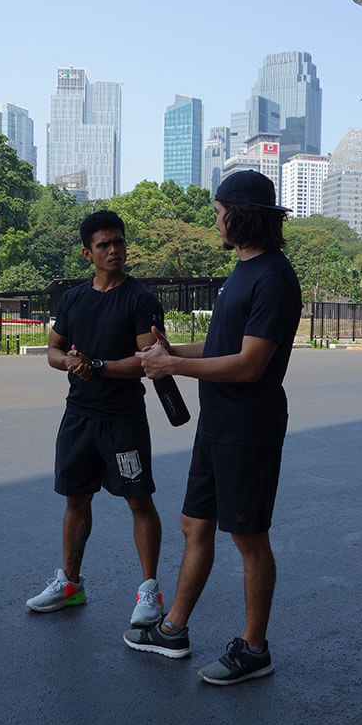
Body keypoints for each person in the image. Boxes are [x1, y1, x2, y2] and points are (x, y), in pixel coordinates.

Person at [123, 170, 302, 685]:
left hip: (249, 426)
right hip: (217, 423)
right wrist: (172, 351)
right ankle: (173, 629)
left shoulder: (273, 277)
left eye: (220, 212)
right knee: (194, 524)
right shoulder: (242, 273)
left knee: (249, 538)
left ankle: (254, 649)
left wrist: (172, 368)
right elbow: (224, 347)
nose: (216, 220)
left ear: (239, 217)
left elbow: (249, 365)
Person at [27, 210, 167, 630]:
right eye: (104, 245)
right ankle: (70, 584)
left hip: (123, 418)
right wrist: (70, 362)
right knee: (76, 499)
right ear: (88, 253)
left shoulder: (140, 298)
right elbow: (53, 350)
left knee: (138, 500)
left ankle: (149, 591)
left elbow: (148, 361)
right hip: (79, 416)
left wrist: (98, 364)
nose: (114, 251)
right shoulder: (73, 299)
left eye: (119, 243)